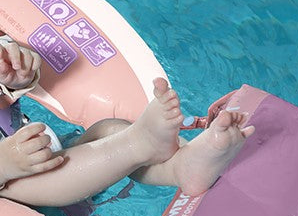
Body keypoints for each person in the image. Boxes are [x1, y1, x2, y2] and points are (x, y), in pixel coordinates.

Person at [0, 35, 255, 206]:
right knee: (31, 180)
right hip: (16, 190)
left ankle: (179, 167)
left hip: (37, 150)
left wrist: (16, 75)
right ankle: (140, 143)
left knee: (106, 130)